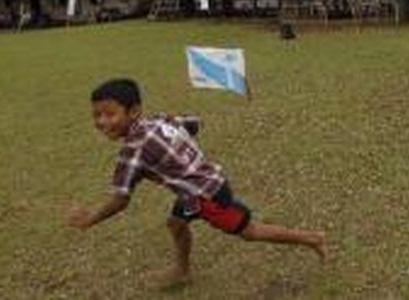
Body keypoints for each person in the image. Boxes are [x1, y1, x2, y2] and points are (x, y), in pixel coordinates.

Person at [67, 78, 327, 286]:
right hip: (195, 190)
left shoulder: (133, 149)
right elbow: (193, 123)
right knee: (176, 223)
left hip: (206, 196)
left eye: (109, 114)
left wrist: (90, 219)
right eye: (96, 116)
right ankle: (182, 271)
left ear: (134, 111)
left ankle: (311, 238)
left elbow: (120, 199)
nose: (102, 122)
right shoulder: (156, 119)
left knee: (250, 231)